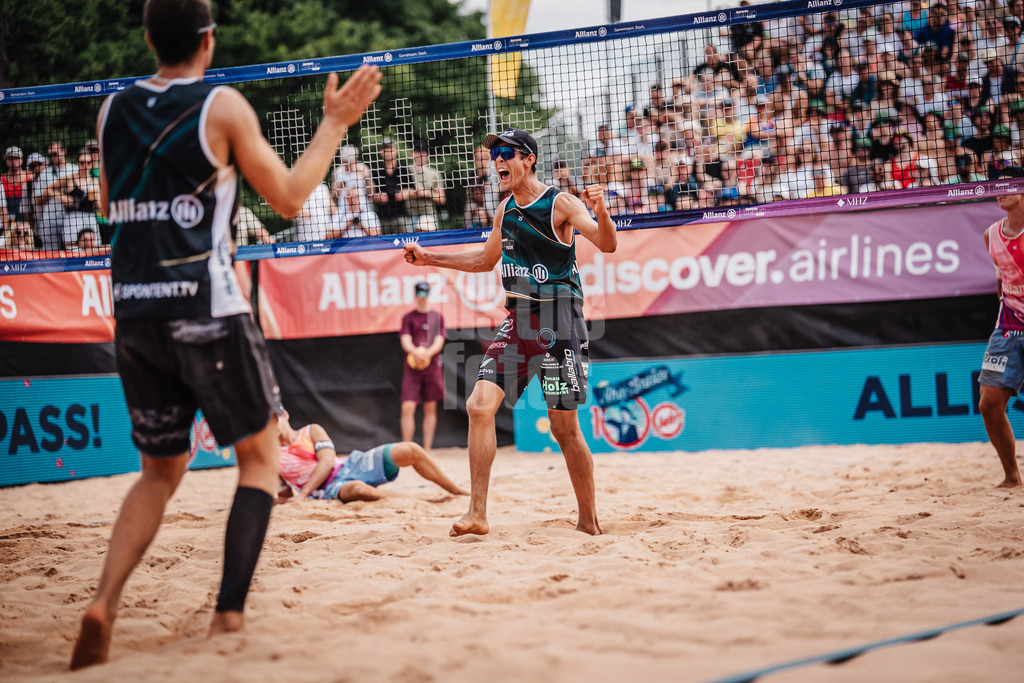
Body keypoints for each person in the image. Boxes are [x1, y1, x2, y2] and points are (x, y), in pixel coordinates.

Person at [69, 0, 381, 670]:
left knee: (160, 470)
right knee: (260, 462)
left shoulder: (109, 111)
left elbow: (104, 203)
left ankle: (104, 603)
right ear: (208, 41)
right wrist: (332, 123)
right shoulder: (222, 107)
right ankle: (229, 611)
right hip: (206, 308)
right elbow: (293, 198)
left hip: (133, 310)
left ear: (149, 37)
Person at [402, 128, 616, 537]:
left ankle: (588, 520)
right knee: (479, 406)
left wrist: (602, 212)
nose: (497, 160)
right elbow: (485, 260)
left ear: (528, 159)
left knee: (564, 428)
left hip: (560, 322)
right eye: (494, 154)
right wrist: (431, 258)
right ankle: (477, 514)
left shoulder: (561, 203)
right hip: (518, 321)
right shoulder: (505, 210)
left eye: (506, 153)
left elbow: (607, 245)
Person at [275, 409, 467, 504]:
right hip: (328, 489)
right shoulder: (271, 457)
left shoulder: (311, 430)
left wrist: (302, 494)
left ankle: (456, 490)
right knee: (360, 490)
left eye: (274, 418)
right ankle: (422, 501)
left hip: (349, 464)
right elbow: (284, 495)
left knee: (410, 450)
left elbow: (327, 461)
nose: (271, 425)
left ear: (285, 414)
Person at [978, 166, 1024, 489]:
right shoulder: (990, 234)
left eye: (1008, 184)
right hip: (1009, 321)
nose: (1000, 189)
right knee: (989, 403)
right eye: (997, 184)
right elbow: (1001, 277)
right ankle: (1012, 477)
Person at [399, 281, 446, 453]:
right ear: (415, 295)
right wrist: (416, 352)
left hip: (432, 366)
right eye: (419, 294)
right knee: (408, 406)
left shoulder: (437, 317)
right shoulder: (408, 317)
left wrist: (427, 353)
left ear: (429, 294)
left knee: (430, 406)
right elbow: (405, 340)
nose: (422, 297)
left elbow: (439, 341)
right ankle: (406, 447)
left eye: (425, 293)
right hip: (412, 368)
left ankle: (427, 449)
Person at [370, 138, 412, 234]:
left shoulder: (404, 170)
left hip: (401, 216)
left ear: (395, 150)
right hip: (383, 217)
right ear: (381, 152)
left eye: (390, 148)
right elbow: (371, 195)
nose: (387, 152)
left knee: (405, 243)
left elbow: (413, 189)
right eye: (385, 149)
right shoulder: (376, 172)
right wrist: (377, 197)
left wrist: (405, 193)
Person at [407, 139, 446, 231]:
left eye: (424, 151)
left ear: (427, 155)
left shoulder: (434, 173)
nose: (421, 154)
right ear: (412, 153)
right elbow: (400, 193)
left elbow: (442, 199)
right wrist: (415, 193)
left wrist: (427, 193)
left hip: (430, 215)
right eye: (418, 151)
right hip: (410, 216)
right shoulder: (406, 171)